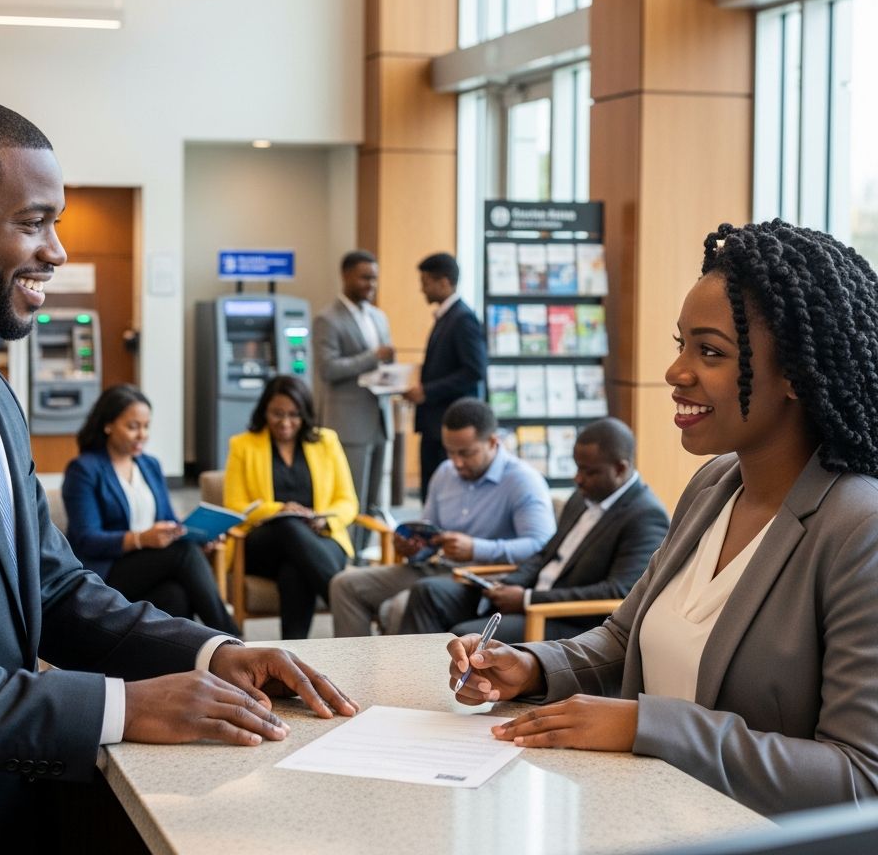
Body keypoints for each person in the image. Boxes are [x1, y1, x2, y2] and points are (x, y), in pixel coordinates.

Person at [0, 95, 357, 853]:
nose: (57, 250)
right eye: (32, 222)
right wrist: (116, 708)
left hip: (14, 800)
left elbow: (52, 587)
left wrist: (213, 653)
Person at [448, 220, 878, 817]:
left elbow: (860, 778)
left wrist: (649, 726)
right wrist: (529, 666)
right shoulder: (712, 486)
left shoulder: (860, 528)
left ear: (797, 376)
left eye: (710, 352)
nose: (676, 372)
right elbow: (627, 639)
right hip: (647, 819)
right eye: (681, 344)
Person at [401, 417, 669, 640]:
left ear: (620, 469)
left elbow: (618, 593)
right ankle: (412, 685)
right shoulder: (583, 497)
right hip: (527, 599)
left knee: (464, 635)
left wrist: (530, 599)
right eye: (577, 468)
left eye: (589, 472)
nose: (578, 479)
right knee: (428, 593)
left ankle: (448, 697)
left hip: (569, 622)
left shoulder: (645, 516)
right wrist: (507, 584)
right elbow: (545, 554)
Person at [330, 397, 555, 637]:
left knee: (401, 606)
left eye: (466, 453)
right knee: (345, 585)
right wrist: (412, 546)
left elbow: (540, 545)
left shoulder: (523, 481)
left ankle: (399, 673)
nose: (457, 462)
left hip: (482, 578)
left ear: (492, 442)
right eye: (450, 452)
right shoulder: (444, 473)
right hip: (435, 567)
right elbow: (429, 530)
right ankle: (356, 668)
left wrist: (475, 548)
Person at [62, 384, 239, 635]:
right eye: (133, 427)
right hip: (106, 571)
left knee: (175, 595)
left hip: (149, 568)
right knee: (182, 553)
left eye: (146, 426)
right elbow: (86, 539)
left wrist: (200, 536)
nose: (142, 434)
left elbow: (168, 521)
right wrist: (140, 539)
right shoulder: (84, 469)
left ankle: (189, 660)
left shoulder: (150, 465)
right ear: (108, 425)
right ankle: (232, 638)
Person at [223, 374, 358, 639]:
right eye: (277, 414)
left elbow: (348, 501)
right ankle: (346, 606)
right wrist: (280, 510)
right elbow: (235, 505)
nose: (285, 423)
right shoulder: (243, 445)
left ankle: (293, 655)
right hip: (264, 543)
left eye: (294, 415)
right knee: (288, 525)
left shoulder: (326, 441)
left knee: (295, 570)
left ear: (305, 414)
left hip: (321, 538)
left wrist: (324, 521)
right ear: (265, 411)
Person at [313, 249, 394, 550]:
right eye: (365, 278)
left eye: (374, 279)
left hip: (379, 417)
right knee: (352, 496)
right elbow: (328, 368)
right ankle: (347, 553)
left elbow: (381, 364)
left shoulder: (378, 316)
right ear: (346, 275)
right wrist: (372, 357)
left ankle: (364, 552)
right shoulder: (327, 319)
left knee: (373, 496)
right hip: (348, 422)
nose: (371, 285)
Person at [403, 252, 487, 501]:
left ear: (444, 282)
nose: (422, 289)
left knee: (444, 493)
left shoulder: (463, 319)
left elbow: (474, 371)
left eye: (426, 282)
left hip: (449, 422)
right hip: (435, 423)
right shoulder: (447, 317)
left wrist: (428, 391)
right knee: (431, 490)